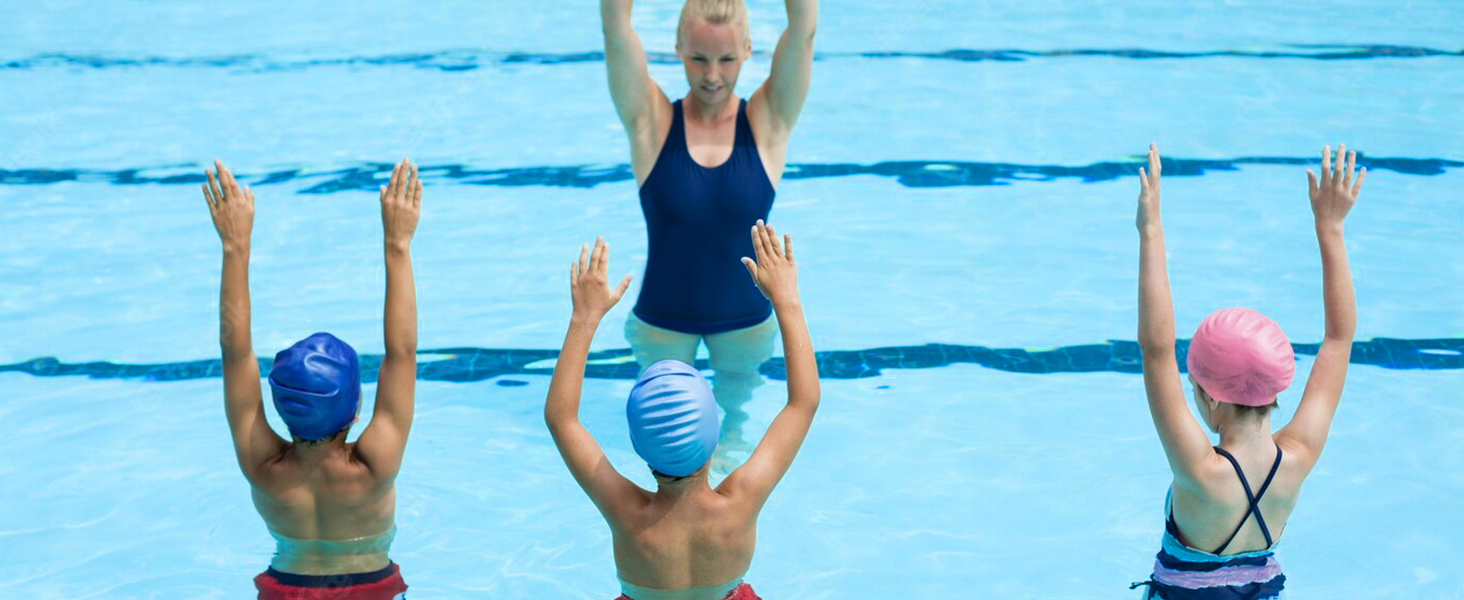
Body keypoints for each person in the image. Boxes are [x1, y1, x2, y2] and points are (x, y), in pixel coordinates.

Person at [1130, 144, 1364, 598]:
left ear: (1212, 397)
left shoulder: (1199, 471)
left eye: (1194, 386)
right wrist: (1331, 228)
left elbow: (1155, 349)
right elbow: (1339, 339)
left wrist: (1150, 231)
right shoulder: (1297, 458)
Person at [545, 224, 819, 600]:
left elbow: (562, 420)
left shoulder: (627, 513)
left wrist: (584, 317)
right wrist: (787, 299)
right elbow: (802, 404)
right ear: (714, 437)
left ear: (639, 447)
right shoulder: (741, 501)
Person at [600, 0, 817, 467]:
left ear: (748, 51)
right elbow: (616, 31)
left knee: (734, 440)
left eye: (726, 60)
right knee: (666, 459)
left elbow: (802, 31)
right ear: (677, 48)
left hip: (746, 324)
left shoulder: (768, 121)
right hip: (660, 326)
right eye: (698, 58)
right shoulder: (651, 123)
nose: (712, 75)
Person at [204, 159, 422, 600]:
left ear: (281, 407)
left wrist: (234, 247)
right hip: (370, 588)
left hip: (285, 589)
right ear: (357, 409)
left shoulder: (262, 467)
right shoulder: (373, 467)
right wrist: (397, 244)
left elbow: (235, 353)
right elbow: (402, 353)